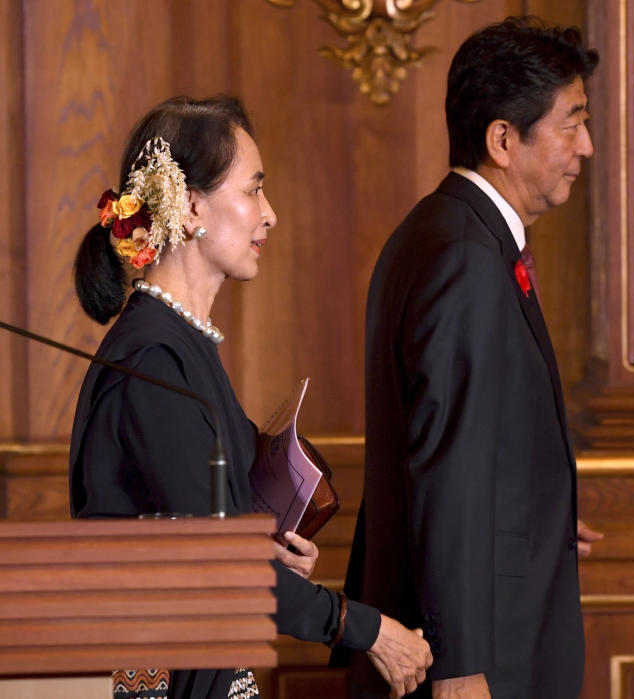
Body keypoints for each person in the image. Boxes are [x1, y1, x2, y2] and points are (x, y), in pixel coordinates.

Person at [69, 96, 432, 699]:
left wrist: (270, 550)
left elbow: (208, 538)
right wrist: (371, 631)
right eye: (253, 190)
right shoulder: (152, 359)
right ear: (189, 207)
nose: (270, 214)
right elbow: (213, 564)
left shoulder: (180, 343)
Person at [335, 17, 603, 698]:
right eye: (571, 124)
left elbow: (466, 436)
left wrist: (537, 501)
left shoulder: (444, 231)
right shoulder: (463, 256)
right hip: (475, 663)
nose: (587, 147)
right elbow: (444, 467)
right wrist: (460, 663)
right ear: (503, 140)